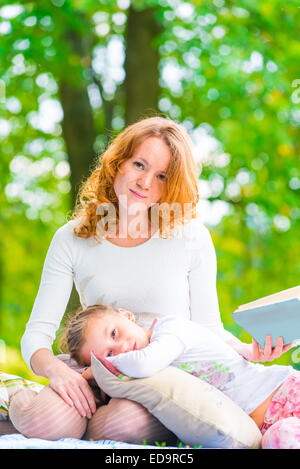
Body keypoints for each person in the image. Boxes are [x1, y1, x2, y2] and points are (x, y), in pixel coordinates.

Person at [8, 116, 293, 444]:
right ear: (117, 163)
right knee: (46, 424)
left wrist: (250, 352)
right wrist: (57, 372)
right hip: (98, 367)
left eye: (161, 176)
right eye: (139, 165)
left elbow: (208, 329)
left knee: (119, 427)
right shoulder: (72, 238)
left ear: (171, 186)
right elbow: (36, 335)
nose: (145, 182)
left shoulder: (190, 238)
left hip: (162, 379)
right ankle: (12, 396)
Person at [62, 304, 300, 449]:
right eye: (109, 353)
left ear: (126, 315)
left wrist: (100, 366)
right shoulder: (149, 375)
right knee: (280, 438)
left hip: (286, 393)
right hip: (269, 428)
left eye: (114, 332)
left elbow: (145, 364)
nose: (122, 348)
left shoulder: (171, 330)